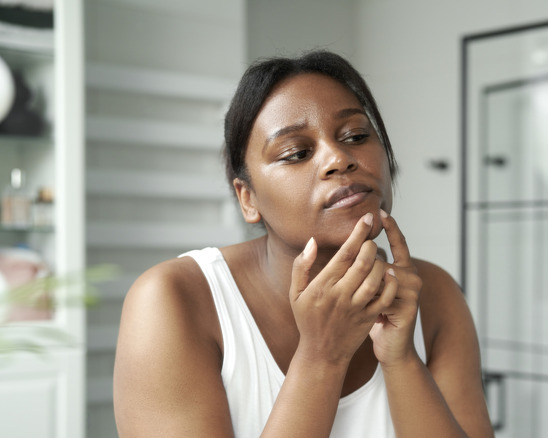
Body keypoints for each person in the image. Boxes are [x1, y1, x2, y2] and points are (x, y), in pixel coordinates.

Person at [113, 51, 493, 438]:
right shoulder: (173, 298)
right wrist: (321, 356)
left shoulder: (434, 294)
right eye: (296, 153)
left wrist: (401, 359)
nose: (339, 158)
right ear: (248, 199)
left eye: (357, 136)